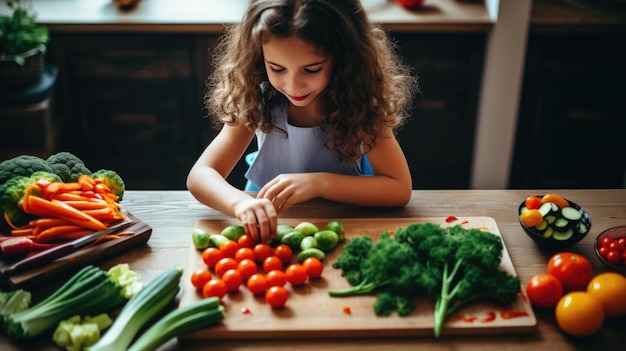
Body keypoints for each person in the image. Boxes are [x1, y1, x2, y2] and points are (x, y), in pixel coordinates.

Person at [187, 0, 419, 243]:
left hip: (343, 222)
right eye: (277, 68)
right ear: (258, 56)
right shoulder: (258, 97)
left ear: (345, 58)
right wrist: (241, 204)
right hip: (268, 222)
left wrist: (317, 183)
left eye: (311, 69)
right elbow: (201, 175)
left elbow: (398, 188)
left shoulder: (360, 102)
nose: (293, 86)